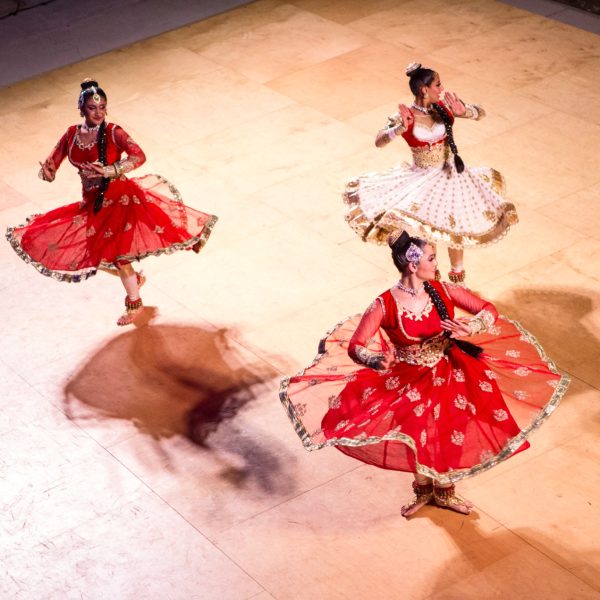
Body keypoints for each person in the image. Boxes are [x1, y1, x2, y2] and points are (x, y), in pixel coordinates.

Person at [280, 231, 569, 516]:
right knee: (416, 434)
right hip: (407, 378)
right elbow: (356, 346)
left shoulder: (443, 290)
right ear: (412, 264)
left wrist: (473, 327)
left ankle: (445, 491)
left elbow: (487, 309)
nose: (436, 264)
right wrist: (376, 360)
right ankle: (423, 489)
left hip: (450, 371)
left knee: (448, 430)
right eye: (432, 258)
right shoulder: (385, 304)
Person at [6, 79, 217, 326]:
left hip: (119, 198)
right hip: (92, 202)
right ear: (81, 109)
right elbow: (52, 163)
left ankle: (134, 302)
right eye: (93, 108)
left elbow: (139, 156)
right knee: (96, 255)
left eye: (103, 107)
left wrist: (111, 170)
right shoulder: (72, 134)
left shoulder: (113, 132)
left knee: (118, 256)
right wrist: (47, 172)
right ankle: (133, 279)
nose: (98, 112)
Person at [344, 62, 518, 284]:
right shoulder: (405, 116)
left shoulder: (444, 107)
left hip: (452, 177)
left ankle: (458, 280)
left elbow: (481, 113)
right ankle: (431, 281)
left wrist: (465, 111)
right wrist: (399, 129)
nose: (441, 89)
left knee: (457, 226)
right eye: (437, 84)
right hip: (423, 179)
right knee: (428, 233)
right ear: (424, 89)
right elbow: (379, 141)